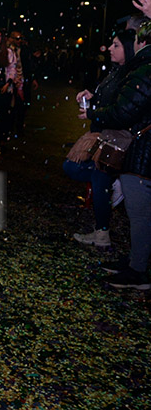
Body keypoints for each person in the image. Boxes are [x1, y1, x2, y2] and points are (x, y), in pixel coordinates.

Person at [81, 20, 151, 290]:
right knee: (138, 212)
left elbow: (124, 111)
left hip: (141, 151)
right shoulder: (137, 68)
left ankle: (138, 271)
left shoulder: (143, 69)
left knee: (140, 213)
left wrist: (93, 113)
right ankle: (137, 262)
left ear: (140, 43)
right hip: (138, 148)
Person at [66, 30, 135, 247]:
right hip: (103, 133)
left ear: (128, 48)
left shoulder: (130, 74)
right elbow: (109, 101)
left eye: (116, 45)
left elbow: (120, 110)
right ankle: (102, 229)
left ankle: (103, 231)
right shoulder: (117, 71)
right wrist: (92, 98)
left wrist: (93, 112)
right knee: (82, 172)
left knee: (96, 177)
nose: (110, 49)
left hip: (114, 138)